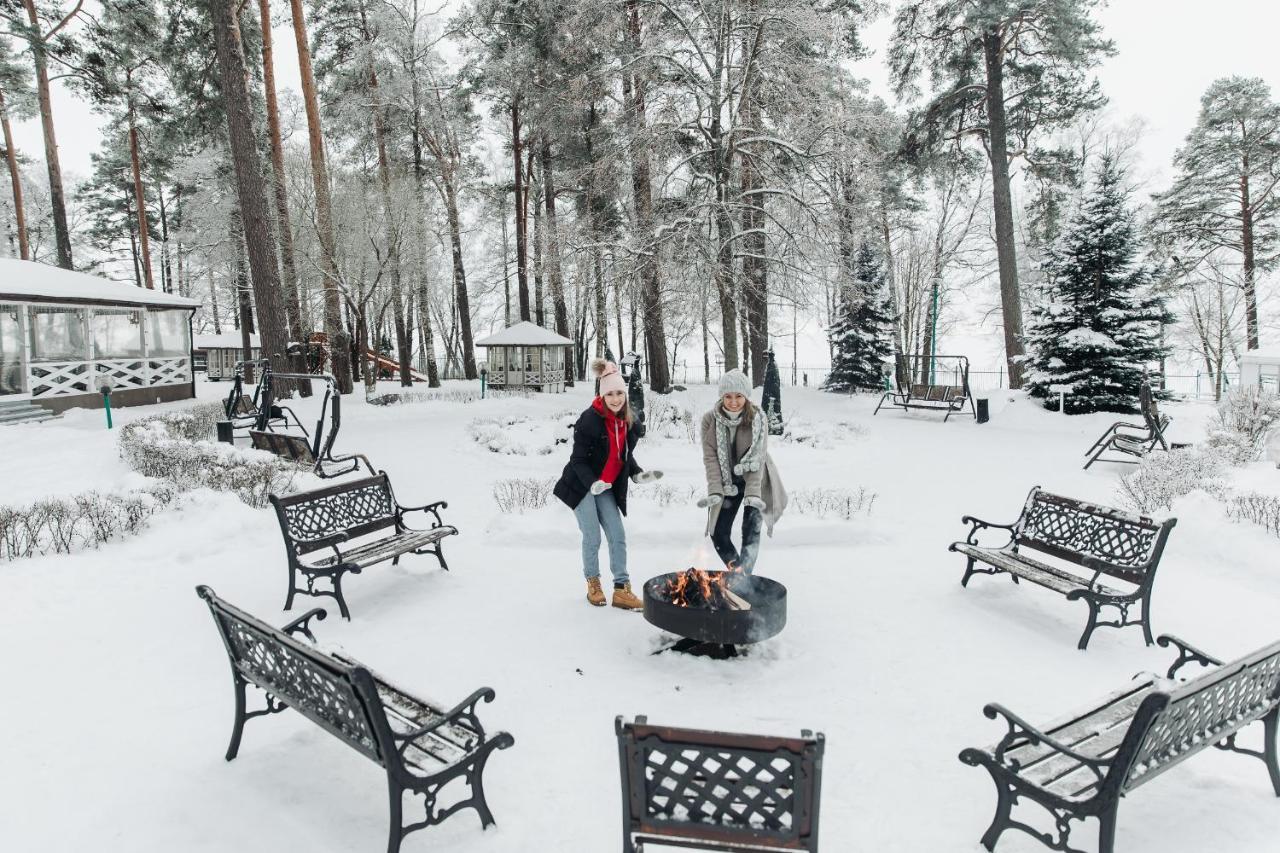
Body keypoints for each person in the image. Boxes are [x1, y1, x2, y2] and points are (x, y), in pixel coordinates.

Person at [554, 358, 662, 609]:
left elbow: (623, 454)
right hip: (583, 485)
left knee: (617, 534)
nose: (615, 399)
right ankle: (593, 583)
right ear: (602, 395)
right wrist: (593, 484)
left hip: (606, 486)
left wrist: (637, 474)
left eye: (619, 393)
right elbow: (578, 460)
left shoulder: (628, 422)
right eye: (610, 394)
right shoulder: (589, 421)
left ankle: (622, 589)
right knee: (592, 536)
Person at [698, 370, 787, 574]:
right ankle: (739, 574)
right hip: (728, 482)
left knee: (750, 534)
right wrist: (714, 490)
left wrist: (753, 495)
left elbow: (758, 457)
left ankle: (743, 581)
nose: (734, 402)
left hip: (755, 479)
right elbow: (710, 458)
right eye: (728, 396)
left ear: (746, 397)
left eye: (739, 396)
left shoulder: (758, 419)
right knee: (718, 533)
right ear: (721, 397)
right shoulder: (709, 421)